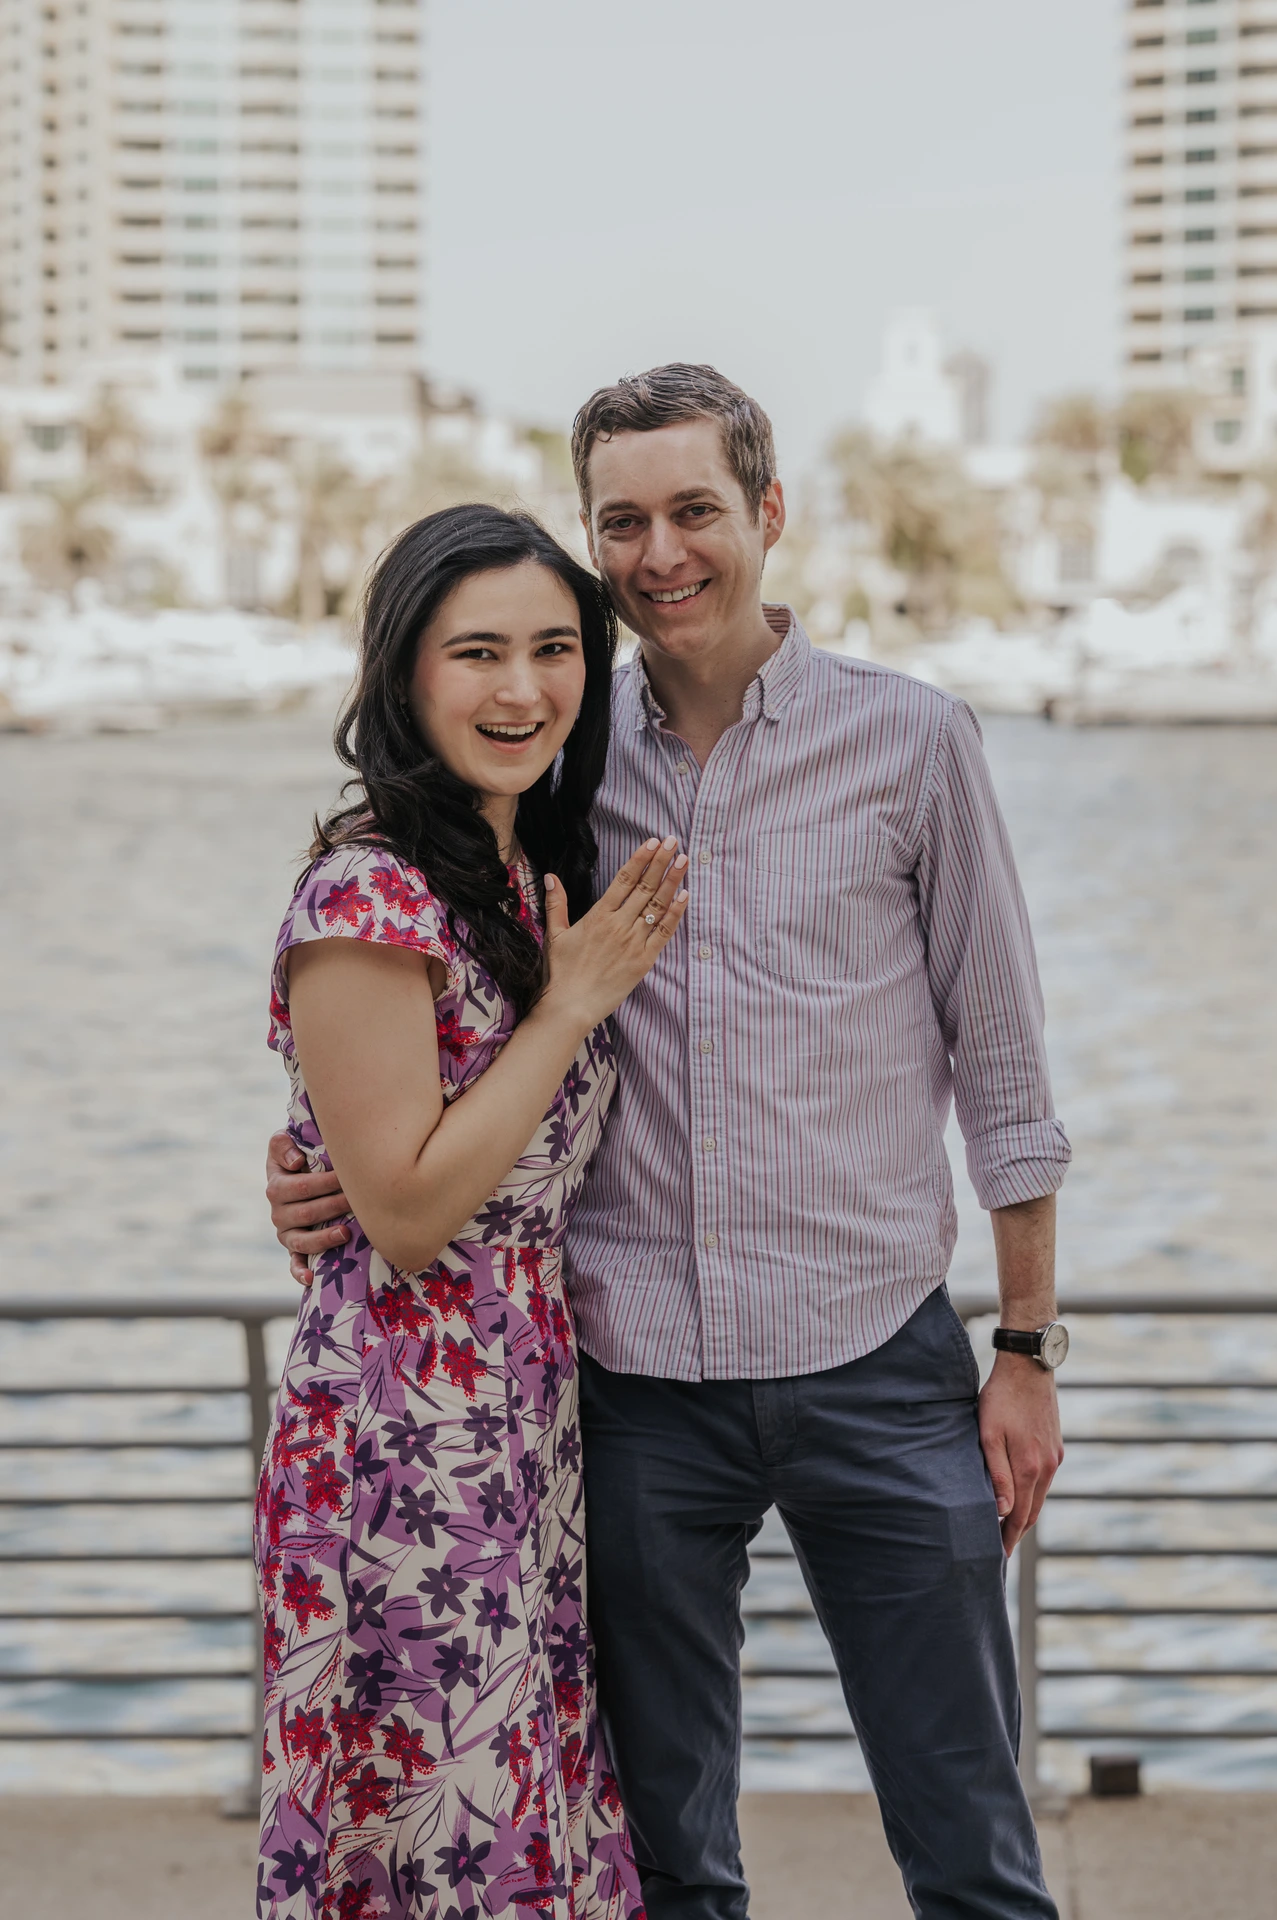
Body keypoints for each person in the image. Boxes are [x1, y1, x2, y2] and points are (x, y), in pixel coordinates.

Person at [269, 366, 1071, 1920]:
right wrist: (316, 1159)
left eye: (695, 509)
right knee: (664, 1859)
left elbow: (1007, 1068)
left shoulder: (916, 747)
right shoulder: (557, 753)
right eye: (622, 521)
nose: (661, 552)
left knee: (970, 1841)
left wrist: (1027, 1345)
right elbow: (431, 1002)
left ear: (767, 515)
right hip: (624, 1388)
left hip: (879, 1364)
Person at [255, 502, 688, 1920]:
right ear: (405, 673)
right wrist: (568, 1007)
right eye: (478, 653)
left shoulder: (518, 873)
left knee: (523, 1822)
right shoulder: (366, 891)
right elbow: (408, 1213)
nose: (522, 691)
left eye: (556, 651)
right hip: (402, 1441)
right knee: (438, 1829)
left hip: (521, 1418)